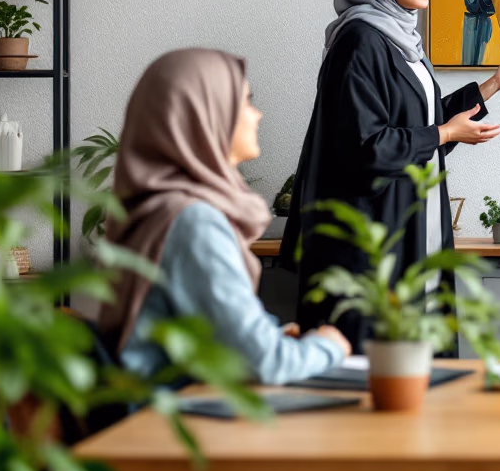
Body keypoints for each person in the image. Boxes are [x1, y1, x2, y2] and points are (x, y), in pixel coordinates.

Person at [283, 0, 500, 348]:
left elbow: (417, 122)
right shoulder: (359, 41)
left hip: (411, 224)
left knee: (416, 373)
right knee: (376, 377)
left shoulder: (399, 40)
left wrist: (491, 87)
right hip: (372, 239)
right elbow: (365, 147)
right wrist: (447, 132)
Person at [100, 48, 351, 385]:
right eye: (245, 101)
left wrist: (276, 335)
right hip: (172, 423)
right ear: (206, 114)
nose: (258, 114)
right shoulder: (192, 222)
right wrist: (328, 345)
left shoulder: (157, 208)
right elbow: (267, 363)